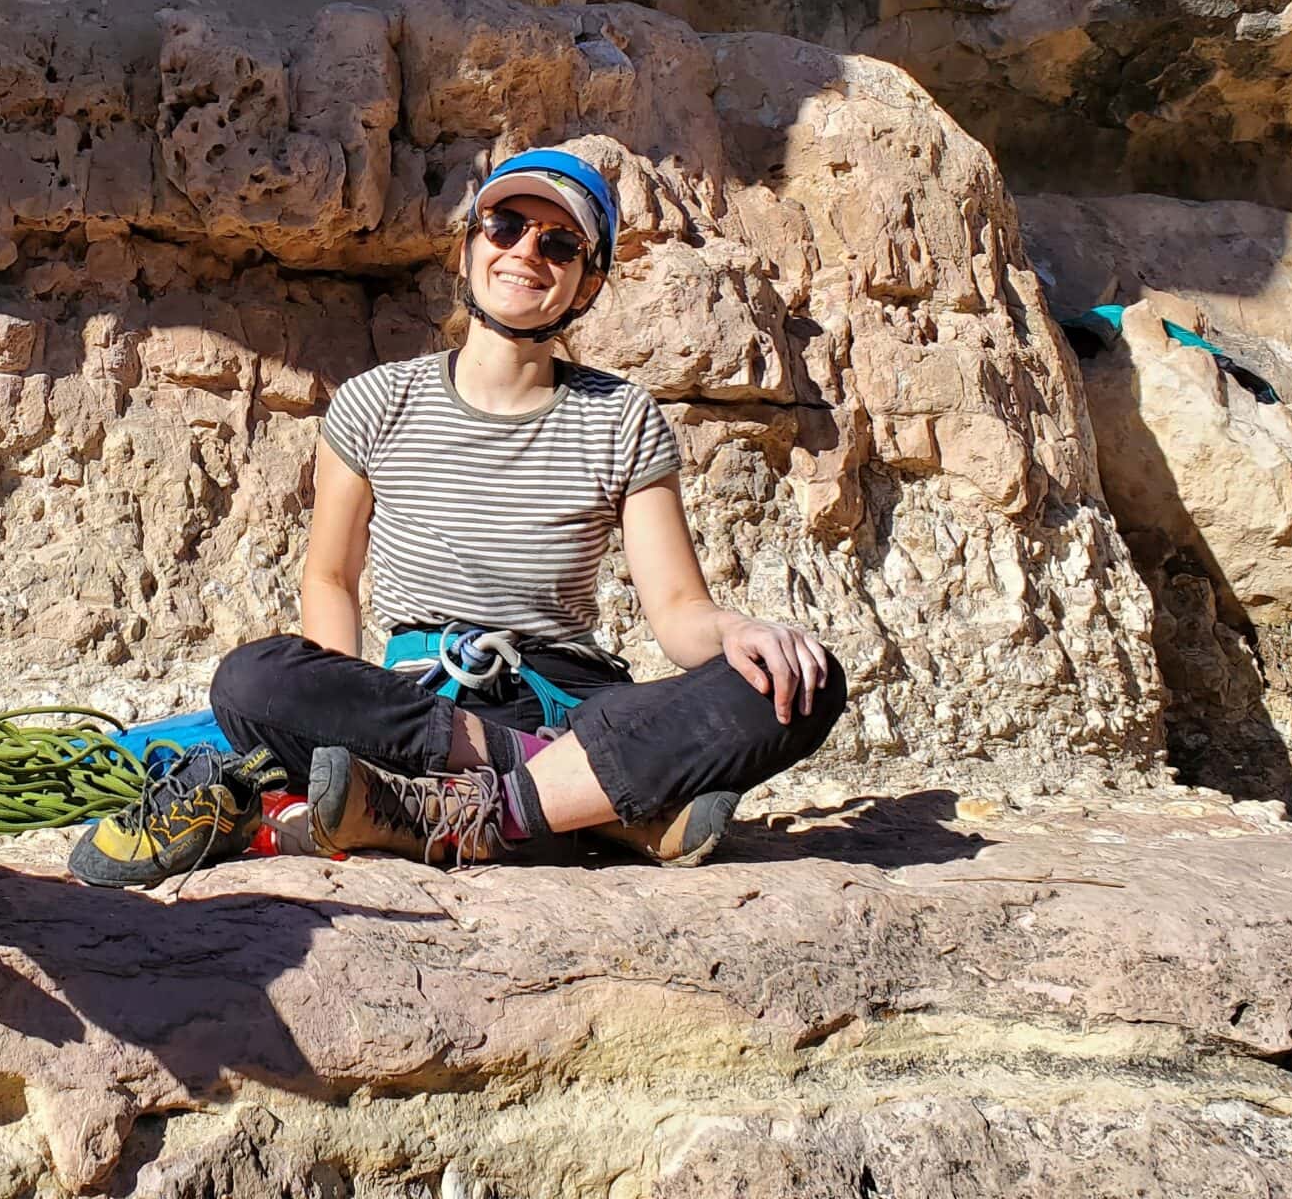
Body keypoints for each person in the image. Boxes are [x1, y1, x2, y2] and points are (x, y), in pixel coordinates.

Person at [69, 148, 846, 888]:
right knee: (254, 680)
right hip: (423, 703)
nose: (526, 252)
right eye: (505, 226)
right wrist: (336, 714)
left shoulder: (621, 417)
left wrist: (739, 634)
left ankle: (469, 809)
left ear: (587, 283)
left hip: (570, 696)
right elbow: (330, 578)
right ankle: (589, 805)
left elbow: (677, 611)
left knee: (799, 683)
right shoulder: (378, 401)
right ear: (468, 248)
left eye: (560, 243)